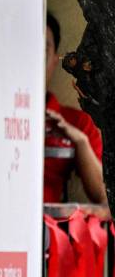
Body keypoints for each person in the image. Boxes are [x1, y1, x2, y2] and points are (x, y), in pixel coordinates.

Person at [44, 12, 105, 204]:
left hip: (50, 221)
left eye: (43, 51)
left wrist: (80, 141)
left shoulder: (77, 122)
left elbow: (103, 196)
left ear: (55, 61)